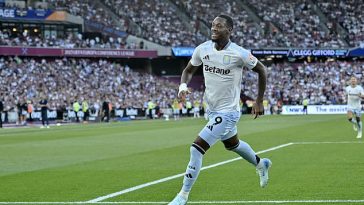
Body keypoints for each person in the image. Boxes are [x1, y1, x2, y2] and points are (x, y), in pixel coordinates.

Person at [169, 15, 272, 205]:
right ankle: (261, 163)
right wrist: (182, 87)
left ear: (229, 30)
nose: (214, 28)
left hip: (229, 112)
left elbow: (262, 70)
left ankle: (182, 196)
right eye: (213, 25)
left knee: (196, 149)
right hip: (212, 110)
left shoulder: (239, 53)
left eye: (219, 26)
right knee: (233, 144)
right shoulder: (203, 49)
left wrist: (258, 100)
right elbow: (188, 70)